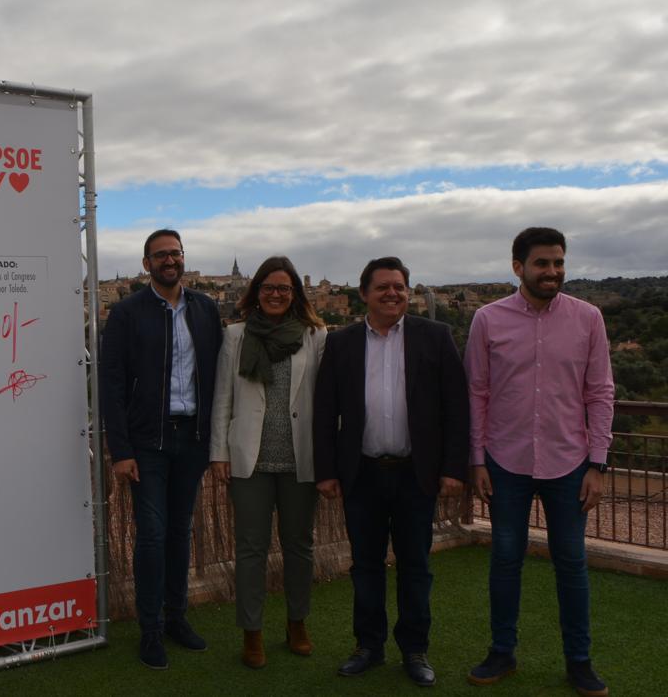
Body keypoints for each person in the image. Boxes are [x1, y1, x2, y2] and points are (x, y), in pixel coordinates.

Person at [464, 228, 614, 697]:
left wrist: (598, 464)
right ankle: (502, 652)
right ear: (518, 267)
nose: (552, 272)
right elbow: (477, 392)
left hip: (569, 462)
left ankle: (579, 662)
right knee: (505, 561)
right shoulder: (487, 320)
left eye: (558, 263)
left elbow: (600, 392)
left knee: (571, 563)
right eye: (542, 263)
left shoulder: (588, 318)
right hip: (505, 461)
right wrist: (477, 459)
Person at [312, 256, 469, 687]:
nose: (392, 293)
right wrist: (326, 470)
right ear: (363, 293)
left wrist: (454, 468)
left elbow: (457, 407)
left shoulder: (434, 337)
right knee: (365, 566)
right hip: (361, 474)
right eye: (383, 287)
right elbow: (325, 411)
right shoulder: (341, 342)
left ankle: (415, 650)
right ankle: (368, 646)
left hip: (415, 475)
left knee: (416, 566)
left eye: (399, 286)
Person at [99, 228, 223, 669]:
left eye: (175, 253)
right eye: (160, 255)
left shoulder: (206, 309)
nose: (169, 260)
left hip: (191, 439)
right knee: (151, 537)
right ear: (146, 264)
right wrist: (121, 449)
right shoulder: (127, 313)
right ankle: (149, 629)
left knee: (179, 532)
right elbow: (111, 385)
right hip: (147, 443)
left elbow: (218, 378)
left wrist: (214, 439)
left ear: (184, 258)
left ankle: (176, 619)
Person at [210, 256, 326, 669]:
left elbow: (325, 402)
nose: (276, 294)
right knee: (250, 550)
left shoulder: (315, 335)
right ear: (256, 292)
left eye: (284, 288)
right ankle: (252, 632)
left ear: (295, 293)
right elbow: (222, 398)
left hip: (300, 458)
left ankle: (297, 623)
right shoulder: (236, 335)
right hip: (250, 458)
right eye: (269, 287)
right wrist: (219, 453)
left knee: (299, 548)